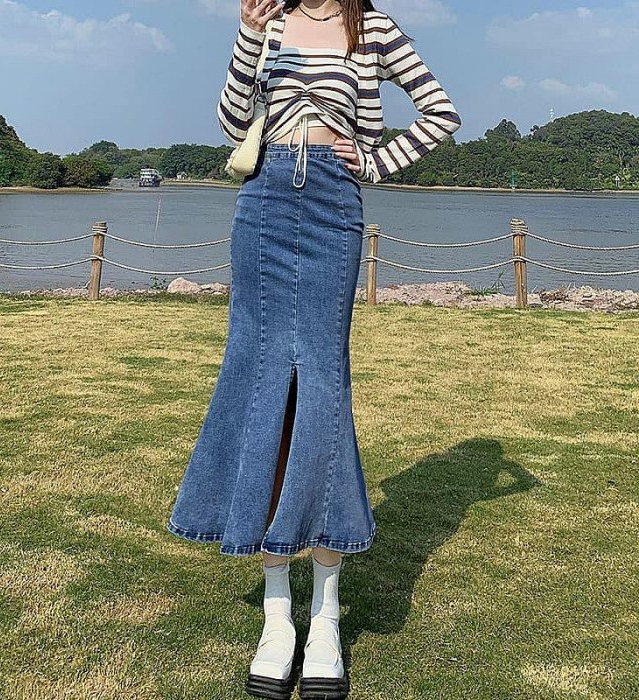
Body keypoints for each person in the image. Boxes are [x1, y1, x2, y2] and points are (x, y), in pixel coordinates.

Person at [167, 0, 461, 697]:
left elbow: (441, 112)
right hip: (263, 199)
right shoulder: (268, 20)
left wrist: (377, 160)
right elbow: (232, 122)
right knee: (261, 381)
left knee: (323, 389)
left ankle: (325, 613)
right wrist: (246, 34)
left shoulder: (373, 28)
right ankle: (277, 614)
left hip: (334, 200)